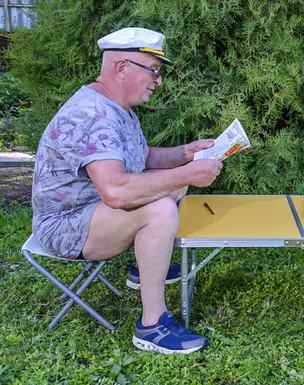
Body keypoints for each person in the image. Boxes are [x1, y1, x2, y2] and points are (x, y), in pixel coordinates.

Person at [31, 27, 223, 354]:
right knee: (160, 206)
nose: (158, 81)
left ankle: (143, 268)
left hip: (91, 212)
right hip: (63, 226)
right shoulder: (92, 114)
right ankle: (152, 325)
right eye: (154, 71)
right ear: (122, 68)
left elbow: (141, 158)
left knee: (173, 185)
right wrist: (186, 173)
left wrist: (185, 154)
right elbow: (117, 191)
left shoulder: (116, 107)